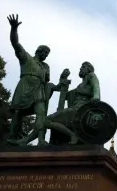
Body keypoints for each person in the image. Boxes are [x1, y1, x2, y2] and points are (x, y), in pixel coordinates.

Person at [9, 61, 101, 146]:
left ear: (88, 69)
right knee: (45, 121)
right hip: (75, 109)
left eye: (83, 67)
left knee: (46, 121)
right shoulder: (82, 84)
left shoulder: (91, 76)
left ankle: (72, 135)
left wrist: (96, 96)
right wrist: (63, 80)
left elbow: (96, 87)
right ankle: (26, 140)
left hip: (80, 109)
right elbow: (66, 95)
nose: (80, 69)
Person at [7, 14, 53, 146]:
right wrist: (14, 28)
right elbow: (15, 43)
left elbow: (47, 83)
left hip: (38, 91)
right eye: (44, 52)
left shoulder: (45, 67)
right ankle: (12, 138)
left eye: (47, 54)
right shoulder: (26, 58)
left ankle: (40, 140)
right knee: (17, 113)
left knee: (41, 113)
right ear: (38, 51)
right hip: (25, 87)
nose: (45, 55)